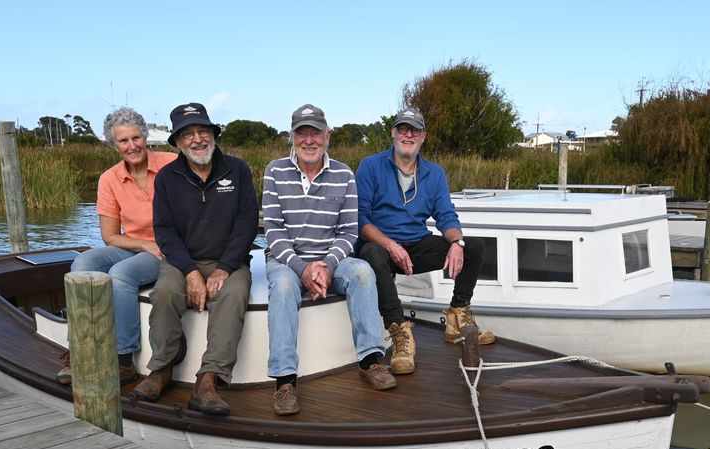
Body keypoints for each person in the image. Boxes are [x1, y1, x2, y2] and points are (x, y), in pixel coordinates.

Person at [263, 104, 395, 416]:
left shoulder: (344, 174)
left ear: (327, 135)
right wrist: (303, 268)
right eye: (302, 133)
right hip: (287, 261)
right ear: (292, 137)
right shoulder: (274, 171)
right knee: (282, 285)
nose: (309, 140)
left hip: (329, 260)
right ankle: (284, 380)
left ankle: (370, 361)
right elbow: (273, 231)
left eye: (315, 133)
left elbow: (349, 232)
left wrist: (327, 265)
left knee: (362, 271)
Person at [131, 103, 258, 416]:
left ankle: (208, 380)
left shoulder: (238, 170)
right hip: (181, 261)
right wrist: (189, 272)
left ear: (213, 134)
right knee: (164, 293)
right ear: (177, 142)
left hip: (229, 260)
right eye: (188, 134)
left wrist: (224, 269)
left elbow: (246, 224)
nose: (198, 139)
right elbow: (164, 231)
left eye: (203, 131)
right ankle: (161, 370)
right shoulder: (166, 179)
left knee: (233, 295)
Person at [356, 107, 495, 376]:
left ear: (423, 137)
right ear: (393, 132)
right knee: (372, 253)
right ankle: (399, 333)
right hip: (381, 246)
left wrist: (457, 243)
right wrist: (391, 245)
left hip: (416, 245)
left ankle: (457, 316)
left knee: (474, 246)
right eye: (403, 129)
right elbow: (360, 220)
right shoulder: (370, 166)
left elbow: (446, 215)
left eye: (414, 130)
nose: (408, 135)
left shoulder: (434, 173)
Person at [57, 107, 177, 385]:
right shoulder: (109, 179)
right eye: (123, 141)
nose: (132, 146)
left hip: (170, 248)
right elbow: (110, 236)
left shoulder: (172, 164)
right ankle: (80, 350)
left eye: (136, 138)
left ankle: (124, 360)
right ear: (114, 145)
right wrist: (144, 244)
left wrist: (156, 246)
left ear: (146, 137)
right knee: (82, 264)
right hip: (138, 244)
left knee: (121, 274)